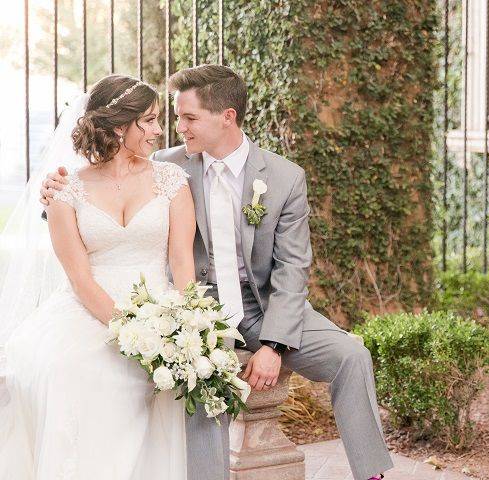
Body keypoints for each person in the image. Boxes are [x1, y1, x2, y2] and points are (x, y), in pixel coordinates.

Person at [41, 64, 393, 480]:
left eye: (188, 118)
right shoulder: (168, 166)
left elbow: (292, 270)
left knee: (351, 355)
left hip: (262, 307)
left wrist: (274, 345)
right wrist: (49, 195)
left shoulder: (283, 178)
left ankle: (371, 474)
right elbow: (103, 185)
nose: (177, 128)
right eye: (174, 117)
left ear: (227, 116)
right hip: (199, 308)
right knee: (200, 383)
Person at [0, 74, 194, 479]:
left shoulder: (171, 180)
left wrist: (186, 326)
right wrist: (130, 331)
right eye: (150, 120)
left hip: (158, 308)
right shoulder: (65, 191)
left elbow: (182, 262)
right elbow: (80, 279)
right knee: (69, 369)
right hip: (91, 309)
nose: (160, 130)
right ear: (120, 125)